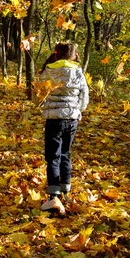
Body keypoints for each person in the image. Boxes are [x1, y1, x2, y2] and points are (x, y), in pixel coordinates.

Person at [37, 42, 89, 215]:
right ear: (74, 55)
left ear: (56, 54)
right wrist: (76, 110)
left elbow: (39, 97)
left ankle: (53, 196)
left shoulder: (48, 71)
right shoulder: (79, 73)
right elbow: (84, 97)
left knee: (53, 156)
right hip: (71, 119)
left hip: (54, 119)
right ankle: (65, 190)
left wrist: (45, 106)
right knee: (66, 153)